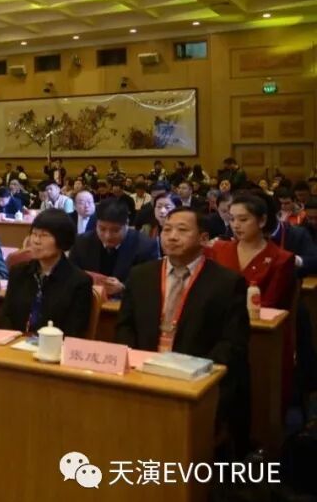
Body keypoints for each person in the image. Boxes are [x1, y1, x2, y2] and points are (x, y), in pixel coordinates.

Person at [115, 207, 250, 458]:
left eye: (182, 230)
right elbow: (125, 326)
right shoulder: (141, 274)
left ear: (203, 238)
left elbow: (232, 343)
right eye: (167, 230)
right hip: (141, 377)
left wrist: (196, 374)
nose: (172, 236)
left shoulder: (226, 283)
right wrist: (133, 366)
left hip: (195, 381)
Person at [0, 209, 93, 338]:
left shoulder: (79, 281)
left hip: (53, 346)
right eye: (34, 234)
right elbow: (5, 316)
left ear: (62, 240)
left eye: (44, 235)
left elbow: (74, 330)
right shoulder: (19, 272)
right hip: (14, 343)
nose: (36, 241)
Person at [206, 193, 294, 311]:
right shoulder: (218, 248)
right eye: (232, 219)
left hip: (257, 319)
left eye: (243, 219)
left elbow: (270, 304)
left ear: (262, 221)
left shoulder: (281, 258)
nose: (235, 225)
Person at [69, 199, 158, 297]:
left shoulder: (145, 247)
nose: (108, 236)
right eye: (102, 229)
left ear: (126, 224)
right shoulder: (81, 242)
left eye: (115, 230)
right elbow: (70, 275)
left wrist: (123, 288)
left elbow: (149, 285)